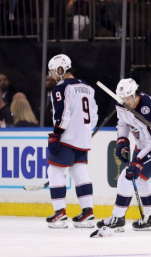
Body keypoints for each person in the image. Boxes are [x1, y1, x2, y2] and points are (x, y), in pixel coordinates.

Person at [96, 78, 151, 232]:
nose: (125, 102)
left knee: (126, 177)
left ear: (135, 94)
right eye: (122, 99)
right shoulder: (121, 103)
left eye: (128, 99)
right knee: (142, 181)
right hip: (142, 146)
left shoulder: (147, 109)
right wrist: (122, 141)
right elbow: (122, 123)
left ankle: (118, 217)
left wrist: (138, 162)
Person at [45, 54, 99, 229]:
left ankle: (60, 212)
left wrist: (56, 134)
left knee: (55, 171)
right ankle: (87, 212)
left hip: (67, 137)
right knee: (79, 171)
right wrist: (84, 132)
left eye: (53, 71)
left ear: (61, 70)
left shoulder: (61, 88)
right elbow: (94, 117)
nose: (51, 75)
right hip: (83, 137)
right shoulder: (88, 88)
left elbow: (62, 114)